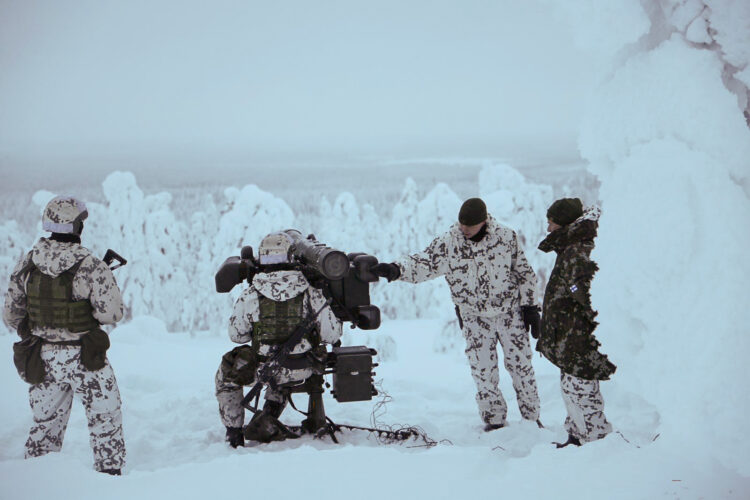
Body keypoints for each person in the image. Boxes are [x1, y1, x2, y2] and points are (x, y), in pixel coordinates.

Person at [373, 198, 541, 430]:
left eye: (469, 226)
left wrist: (531, 308)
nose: (463, 230)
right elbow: (424, 263)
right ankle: (494, 421)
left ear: (483, 221)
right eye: (461, 225)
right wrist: (396, 269)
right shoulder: (449, 243)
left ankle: (532, 420)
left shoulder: (506, 237)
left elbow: (524, 273)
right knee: (483, 372)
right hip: (474, 317)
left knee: (521, 368)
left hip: (509, 314)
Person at [3, 196, 126, 475]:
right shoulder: (91, 265)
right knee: (105, 418)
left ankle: (37, 479)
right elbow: (112, 314)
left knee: (45, 424)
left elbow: (11, 314)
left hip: (42, 357)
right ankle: (110, 478)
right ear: (77, 226)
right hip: (85, 356)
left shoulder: (28, 262)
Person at [215, 230, 343, 447]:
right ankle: (269, 415)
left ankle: (234, 434)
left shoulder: (251, 294)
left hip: (265, 369)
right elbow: (333, 335)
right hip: (304, 368)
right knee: (282, 372)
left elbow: (236, 335)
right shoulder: (312, 293)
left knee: (226, 377)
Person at [535, 198, 616, 448]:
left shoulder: (578, 250)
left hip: (578, 336)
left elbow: (584, 294)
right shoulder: (572, 246)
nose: (548, 229)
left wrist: (574, 289)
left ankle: (595, 442)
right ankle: (577, 434)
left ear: (564, 224)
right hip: (569, 334)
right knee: (571, 387)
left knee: (581, 390)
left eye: (551, 223)